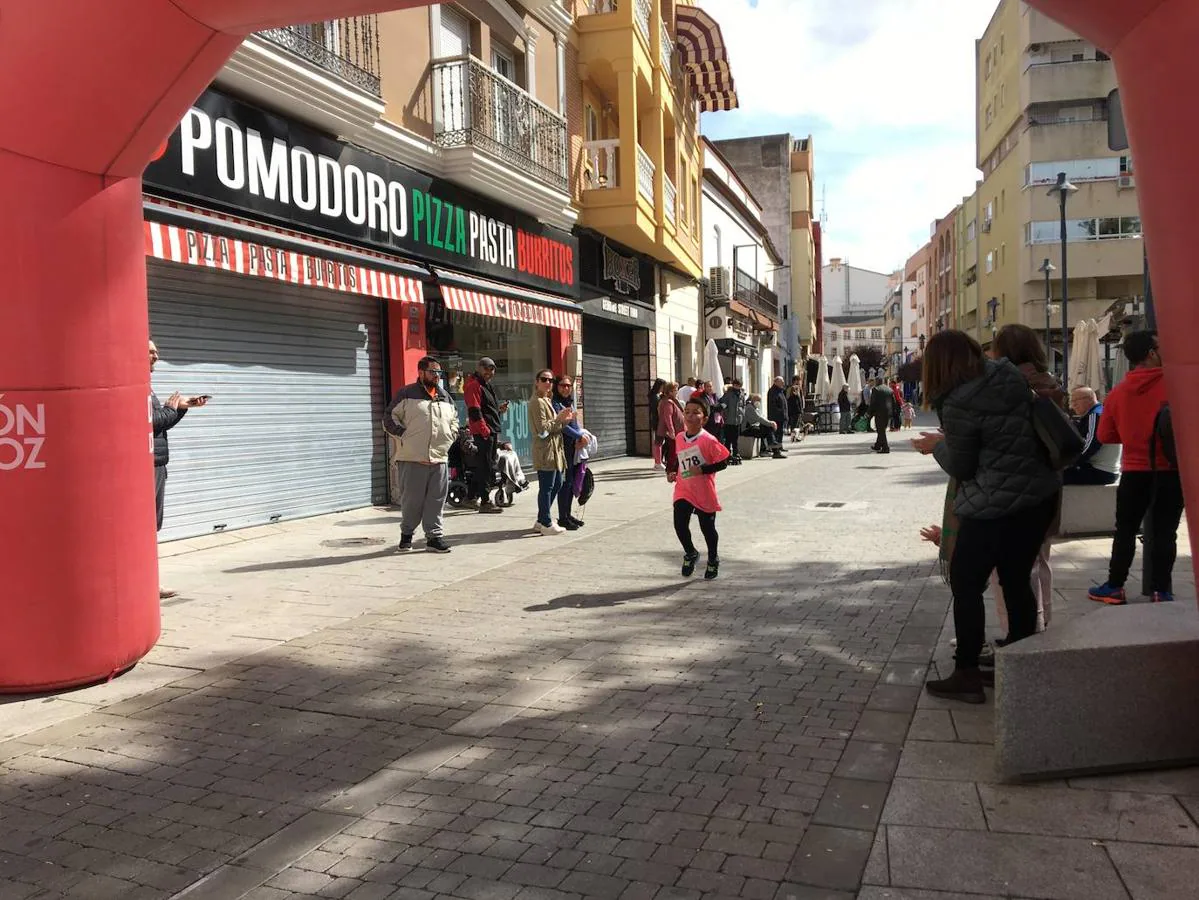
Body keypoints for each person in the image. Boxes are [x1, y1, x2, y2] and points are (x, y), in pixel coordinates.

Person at [913, 330, 1060, 703]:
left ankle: (966, 674)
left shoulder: (958, 400)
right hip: (1036, 497)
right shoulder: (1008, 376)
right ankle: (1020, 662)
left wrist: (936, 447)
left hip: (994, 504)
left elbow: (962, 465)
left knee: (965, 584)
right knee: (1015, 579)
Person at [1089, 331, 1184, 604]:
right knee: (1166, 531)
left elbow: (1105, 436)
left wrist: (1132, 433)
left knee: (1126, 530)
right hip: (1170, 470)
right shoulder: (1175, 386)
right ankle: (1160, 590)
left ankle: (1115, 586)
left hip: (1134, 470)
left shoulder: (1119, 392)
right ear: (1151, 353)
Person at [990, 323, 1065, 635]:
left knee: (1010, 572)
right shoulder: (1050, 383)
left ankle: (1019, 636)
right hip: (1048, 485)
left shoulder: (1007, 387)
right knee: (1040, 560)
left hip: (1014, 488)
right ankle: (1042, 624)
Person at [149, 340, 209, 598]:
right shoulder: (136, 387)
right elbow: (150, 423)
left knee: (152, 527)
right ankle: (148, 584)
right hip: (149, 466)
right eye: (150, 351)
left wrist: (178, 408)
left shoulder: (145, 387)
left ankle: (150, 582)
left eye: (156, 351)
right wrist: (172, 408)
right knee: (147, 527)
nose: (156, 356)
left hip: (157, 463)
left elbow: (159, 422)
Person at [384, 356, 460, 553]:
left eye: (439, 372)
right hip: (412, 457)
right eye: (433, 371)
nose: (437, 376)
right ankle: (406, 536)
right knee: (412, 500)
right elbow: (389, 418)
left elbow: (454, 421)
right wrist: (404, 435)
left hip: (439, 458)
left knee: (437, 500)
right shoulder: (407, 394)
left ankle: (434, 537)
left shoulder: (445, 396)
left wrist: (450, 437)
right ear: (421, 372)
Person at [666, 395, 730, 580]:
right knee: (679, 524)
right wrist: (672, 472)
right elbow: (679, 459)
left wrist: (703, 469)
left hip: (703, 490)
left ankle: (713, 559)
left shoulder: (709, 440)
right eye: (687, 412)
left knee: (707, 528)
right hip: (683, 488)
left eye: (696, 413)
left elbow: (724, 462)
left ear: (705, 418)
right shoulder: (679, 437)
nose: (690, 416)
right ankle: (690, 553)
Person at [530, 368, 576, 536]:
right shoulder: (537, 402)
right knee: (547, 487)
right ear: (537, 382)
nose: (548, 383)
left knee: (557, 484)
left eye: (550, 380)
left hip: (554, 449)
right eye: (544, 379)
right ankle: (546, 522)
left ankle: (542, 519)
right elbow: (542, 430)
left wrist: (564, 421)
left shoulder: (546, 400)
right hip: (545, 450)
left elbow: (554, 427)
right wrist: (559, 419)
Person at [462, 357, 508, 514]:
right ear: (479, 368)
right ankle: (485, 501)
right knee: (486, 466)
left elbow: (485, 408)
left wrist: (498, 409)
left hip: (490, 430)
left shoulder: (485, 385)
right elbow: (474, 411)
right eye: (486, 369)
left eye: (492, 369)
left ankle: (470, 497)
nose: (489, 372)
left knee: (484, 466)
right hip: (484, 433)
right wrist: (485, 430)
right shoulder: (474, 385)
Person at [1063, 386, 1120, 486]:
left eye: (1076, 400)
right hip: (1102, 469)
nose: (1073, 405)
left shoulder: (1095, 416)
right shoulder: (1098, 413)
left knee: (1051, 477)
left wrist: (1069, 463)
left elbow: (1090, 445)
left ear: (1090, 399)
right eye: (1072, 401)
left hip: (1100, 471)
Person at [553, 374, 588, 531]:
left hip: (573, 447)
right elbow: (562, 426)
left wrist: (581, 436)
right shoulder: (555, 403)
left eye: (568, 385)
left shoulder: (569, 403)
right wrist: (579, 435)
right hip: (562, 447)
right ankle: (562, 517)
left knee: (572, 481)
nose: (566, 388)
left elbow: (574, 423)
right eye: (562, 385)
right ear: (556, 386)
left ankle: (567, 514)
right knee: (565, 483)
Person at [742, 394, 783, 459]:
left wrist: (771, 423)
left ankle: (769, 449)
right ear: (752, 400)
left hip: (753, 427)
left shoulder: (755, 408)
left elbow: (762, 417)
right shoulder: (749, 408)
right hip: (746, 429)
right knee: (767, 429)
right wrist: (771, 423)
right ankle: (773, 449)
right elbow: (759, 418)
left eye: (759, 400)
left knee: (767, 428)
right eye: (757, 400)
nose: (758, 402)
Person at [718, 378, 746, 463]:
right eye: (736, 385)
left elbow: (743, 405)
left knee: (735, 439)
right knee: (728, 439)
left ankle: (736, 453)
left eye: (739, 385)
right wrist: (725, 412)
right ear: (733, 385)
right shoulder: (728, 394)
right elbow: (722, 403)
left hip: (737, 420)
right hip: (729, 420)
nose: (737, 387)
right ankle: (727, 454)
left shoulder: (741, 394)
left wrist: (742, 414)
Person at [656, 382, 685, 463]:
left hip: (678, 430)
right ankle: (671, 469)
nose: (677, 391)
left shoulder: (672, 400)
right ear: (670, 391)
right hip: (675, 432)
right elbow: (668, 417)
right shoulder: (668, 402)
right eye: (676, 390)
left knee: (676, 449)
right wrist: (672, 431)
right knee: (673, 451)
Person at [869, 376, 894, 453]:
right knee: (882, 429)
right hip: (888, 412)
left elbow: (873, 402)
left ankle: (885, 448)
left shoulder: (875, 389)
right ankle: (878, 445)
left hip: (879, 412)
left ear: (877, 381)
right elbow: (894, 402)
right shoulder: (890, 390)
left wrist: (869, 412)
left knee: (881, 430)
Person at [649, 378, 666, 470]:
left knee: (659, 442)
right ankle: (658, 462)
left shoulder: (656, 395)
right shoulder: (655, 397)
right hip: (658, 421)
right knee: (659, 442)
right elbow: (658, 410)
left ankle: (658, 461)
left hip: (657, 421)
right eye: (663, 386)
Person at [767, 377, 789, 449]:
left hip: (781, 415)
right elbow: (773, 404)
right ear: (776, 382)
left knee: (780, 432)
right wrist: (780, 412)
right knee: (777, 432)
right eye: (781, 381)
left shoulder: (780, 391)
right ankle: (776, 448)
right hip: (776, 416)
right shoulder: (773, 391)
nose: (783, 383)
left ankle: (779, 446)